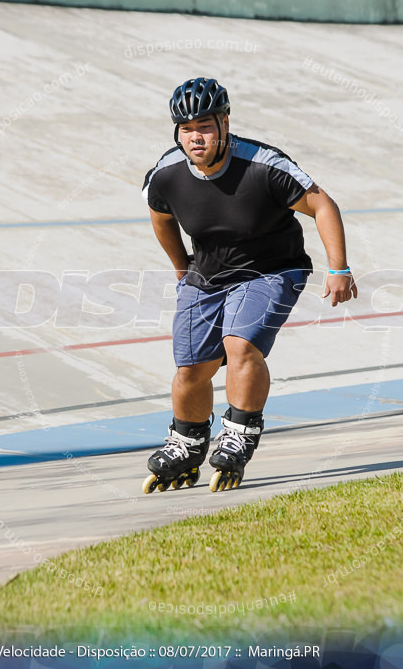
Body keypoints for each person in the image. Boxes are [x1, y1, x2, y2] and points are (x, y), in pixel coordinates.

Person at [140, 77, 358, 493]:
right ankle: (187, 443)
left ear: (225, 122)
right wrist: (180, 267)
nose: (196, 137)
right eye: (186, 129)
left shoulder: (263, 165)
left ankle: (239, 431)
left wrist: (339, 268)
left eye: (205, 125)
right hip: (207, 273)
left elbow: (321, 204)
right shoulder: (167, 174)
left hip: (273, 270)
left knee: (240, 345)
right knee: (191, 368)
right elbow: (160, 214)